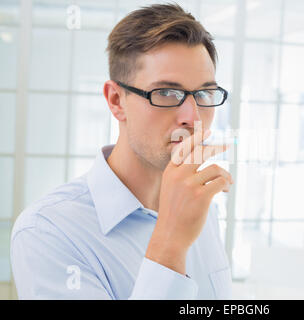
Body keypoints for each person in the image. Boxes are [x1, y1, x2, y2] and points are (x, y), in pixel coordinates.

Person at [10, 3, 234, 299]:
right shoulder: (48, 232)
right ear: (116, 100)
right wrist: (170, 242)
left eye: (204, 93)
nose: (192, 118)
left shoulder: (205, 211)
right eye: (166, 93)